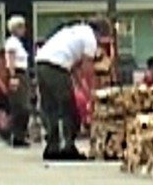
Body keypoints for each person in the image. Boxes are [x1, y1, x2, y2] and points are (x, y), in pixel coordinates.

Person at [34, 18, 111, 161]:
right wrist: (92, 92)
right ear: (100, 32)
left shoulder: (75, 31)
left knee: (50, 108)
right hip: (57, 66)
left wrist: (81, 88)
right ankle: (67, 147)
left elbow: (75, 68)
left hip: (41, 63)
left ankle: (52, 146)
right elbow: (87, 69)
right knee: (68, 108)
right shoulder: (90, 38)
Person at [3, 15, 31, 147]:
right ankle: (13, 133)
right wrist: (13, 76)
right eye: (22, 27)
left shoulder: (18, 43)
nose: (24, 30)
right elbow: (12, 60)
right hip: (18, 74)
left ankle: (19, 135)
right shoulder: (12, 43)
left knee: (23, 106)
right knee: (21, 106)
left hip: (23, 74)